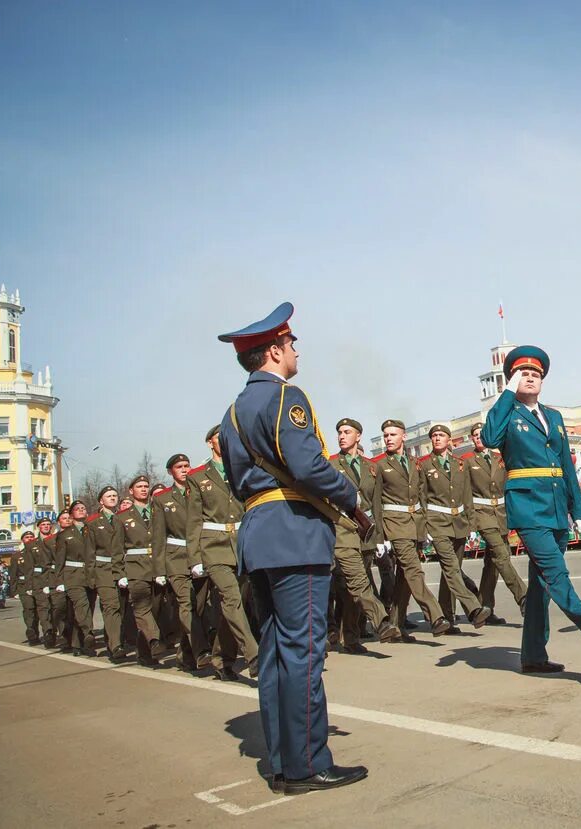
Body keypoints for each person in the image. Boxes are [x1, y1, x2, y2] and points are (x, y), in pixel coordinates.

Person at [217, 301, 368, 794]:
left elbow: (240, 482)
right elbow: (307, 464)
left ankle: (283, 762)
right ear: (275, 350)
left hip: (259, 534)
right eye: (292, 343)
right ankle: (308, 765)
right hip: (295, 534)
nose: (297, 350)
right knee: (304, 652)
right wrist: (351, 496)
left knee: (275, 653)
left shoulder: (232, 412)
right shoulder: (286, 397)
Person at [481, 345, 581, 672]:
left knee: (541, 585)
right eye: (522, 373)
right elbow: (488, 436)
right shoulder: (506, 413)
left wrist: (578, 510)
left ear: (543, 381)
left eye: (535, 374)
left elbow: (566, 466)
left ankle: (533, 656)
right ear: (511, 379)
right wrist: (507, 392)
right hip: (527, 506)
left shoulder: (553, 416)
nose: (529, 378)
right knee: (556, 573)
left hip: (555, 506)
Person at [186, 425, 260, 679]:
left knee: (235, 604)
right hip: (213, 546)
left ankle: (221, 659)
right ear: (210, 443)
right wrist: (195, 557)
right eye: (220, 438)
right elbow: (194, 520)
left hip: (241, 544)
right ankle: (254, 655)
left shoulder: (241, 469)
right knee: (231, 600)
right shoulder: (197, 477)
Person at [373, 419, 452, 638]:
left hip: (414, 523)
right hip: (394, 523)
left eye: (392, 435)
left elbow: (422, 496)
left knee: (403, 577)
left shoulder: (414, 462)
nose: (388, 439)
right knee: (413, 569)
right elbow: (376, 503)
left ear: (403, 437)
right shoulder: (379, 466)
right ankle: (435, 615)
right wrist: (380, 536)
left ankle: (396, 624)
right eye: (385, 435)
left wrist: (424, 526)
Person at [329, 417, 401, 653]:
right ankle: (380, 621)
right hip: (342, 529)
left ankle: (350, 638)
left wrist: (380, 538)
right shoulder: (329, 465)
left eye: (347, 431)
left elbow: (377, 504)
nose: (342, 435)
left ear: (358, 436)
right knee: (358, 580)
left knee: (352, 589)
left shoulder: (371, 466)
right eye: (339, 432)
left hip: (366, 532)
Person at [418, 424, 491, 631]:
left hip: (458, 523)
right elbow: (422, 498)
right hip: (437, 522)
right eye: (434, 436)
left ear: (449, 440)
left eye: (441, 435)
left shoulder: (460, 464)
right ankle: (474, 609)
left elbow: (467, 494)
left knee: (452, 571)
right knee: (451, 568)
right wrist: (425, 528)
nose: (437, 439)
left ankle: (446, 617)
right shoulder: (424, 465)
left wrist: (471, 523)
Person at [154, 453, 210, 671]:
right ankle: (201, 651)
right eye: (179, 466)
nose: (185, 469)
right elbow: (158, 536)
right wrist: (159, 569)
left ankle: (184, 654)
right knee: (186, 604)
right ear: (170, 471)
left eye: (187, 465)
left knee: (200, 606)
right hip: (176, 556)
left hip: (199, 554)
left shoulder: (199, 491)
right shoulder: (162, 499)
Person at [468, 422, 527, 620]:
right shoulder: (467, 462)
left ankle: (484, 607)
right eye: (475, 435)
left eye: (481, 434)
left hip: (501, 513)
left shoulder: (500, 458)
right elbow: (464, 493)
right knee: (501, 556)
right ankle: (524, 597)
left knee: (492, 562)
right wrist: (470, 522)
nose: (478, 437)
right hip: (482, 513)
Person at [115, 475, 169, 666]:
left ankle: (145, 653)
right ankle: (155, 640)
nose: (144, 489)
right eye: (139, 486)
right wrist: (120, 573)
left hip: (156, 566)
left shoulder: (158, 512)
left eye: (146, 486)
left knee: (153, 611)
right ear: (131, 491)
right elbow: (117, 548)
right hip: (135, 568)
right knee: (142, 608)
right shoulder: (122, 517)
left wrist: (163, 568)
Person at [88, 486, 130, 661]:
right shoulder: (93, 523)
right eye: (108, 496)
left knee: (119, 608)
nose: (112, 498)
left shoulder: (120, 520)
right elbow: (89, 552)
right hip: (102, 570)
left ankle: (111, 639)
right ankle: (116, 645)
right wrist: (90, 577)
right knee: (111, 606)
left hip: (120, 569)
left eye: (114, 495)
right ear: (101, 501)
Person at [55, 504, 96, 656]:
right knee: (81, 606)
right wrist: (59, 581)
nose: (81, 510)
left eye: (84, 508)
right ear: (71, 515)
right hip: (72, 575)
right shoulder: (65, 534)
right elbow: (60, 560)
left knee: (86, 609)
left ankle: (79, 644)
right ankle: (88, 633)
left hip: (91, 573)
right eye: (77, 508)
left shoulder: (92, 529)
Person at [7, 531, 41, 644]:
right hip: (23, 586)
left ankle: (41, 632)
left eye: (32, 537)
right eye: (27, 537)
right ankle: (31, 631)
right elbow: (13, 574)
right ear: (23, 540)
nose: (30, 539)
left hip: (38, 584)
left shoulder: (39, 552)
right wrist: (14, 590)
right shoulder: (17, 556)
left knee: (40, 610)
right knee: (29, 608)